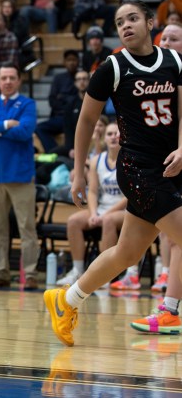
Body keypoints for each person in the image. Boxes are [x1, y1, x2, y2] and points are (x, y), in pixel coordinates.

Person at [44, 2, 182, 347]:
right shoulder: (112, 67)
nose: (126, 25)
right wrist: (78, 173)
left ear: (151, 22)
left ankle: (66, 300)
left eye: (133, 18)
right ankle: (171, 310)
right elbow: (86, 121)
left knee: (126, 254)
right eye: (119, 22)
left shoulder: (174, 61)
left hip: (169, 166)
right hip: (138, 169)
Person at [129, 21, 182, 334]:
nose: (170, 42)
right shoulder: (158, 77)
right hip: (167, 167)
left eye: (176, 38)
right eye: (166, 39)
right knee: (176, 239)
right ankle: (171, 308)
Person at [0, 64, 39, 290]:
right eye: (4, 78)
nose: (8, 81)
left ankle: (30, 274)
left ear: (19, 80)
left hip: (21, 175)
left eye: (12, 77)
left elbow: (25, 132)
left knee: (27, 227)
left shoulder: (28, 104)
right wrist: (5, 125)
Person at [55, 121, 126, 286]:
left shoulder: (128, 159)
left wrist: (104, 215)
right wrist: (94, 213)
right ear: (104, 139)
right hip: (101, 209)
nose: (113, 137)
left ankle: (105, 274)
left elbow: (129, 196)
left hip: (125, 211)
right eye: (109, 134)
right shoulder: (96, 160)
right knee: (73, 221)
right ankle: (77, 271)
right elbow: (92, 191)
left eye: (117, 133)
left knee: (108, 221)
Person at [35, 50, 79, 153]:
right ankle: (54, 151)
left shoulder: (81, 77)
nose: (71, 63)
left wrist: (63, 97)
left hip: (75, 117)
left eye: (74, 60)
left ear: (78, 61)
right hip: (59, 117)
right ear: (64, 62)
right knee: (39, 128)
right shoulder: (58, 78)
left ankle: (56, 152)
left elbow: (78, 101)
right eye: (69, 60)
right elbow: (52, 101)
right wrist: (67, 101)